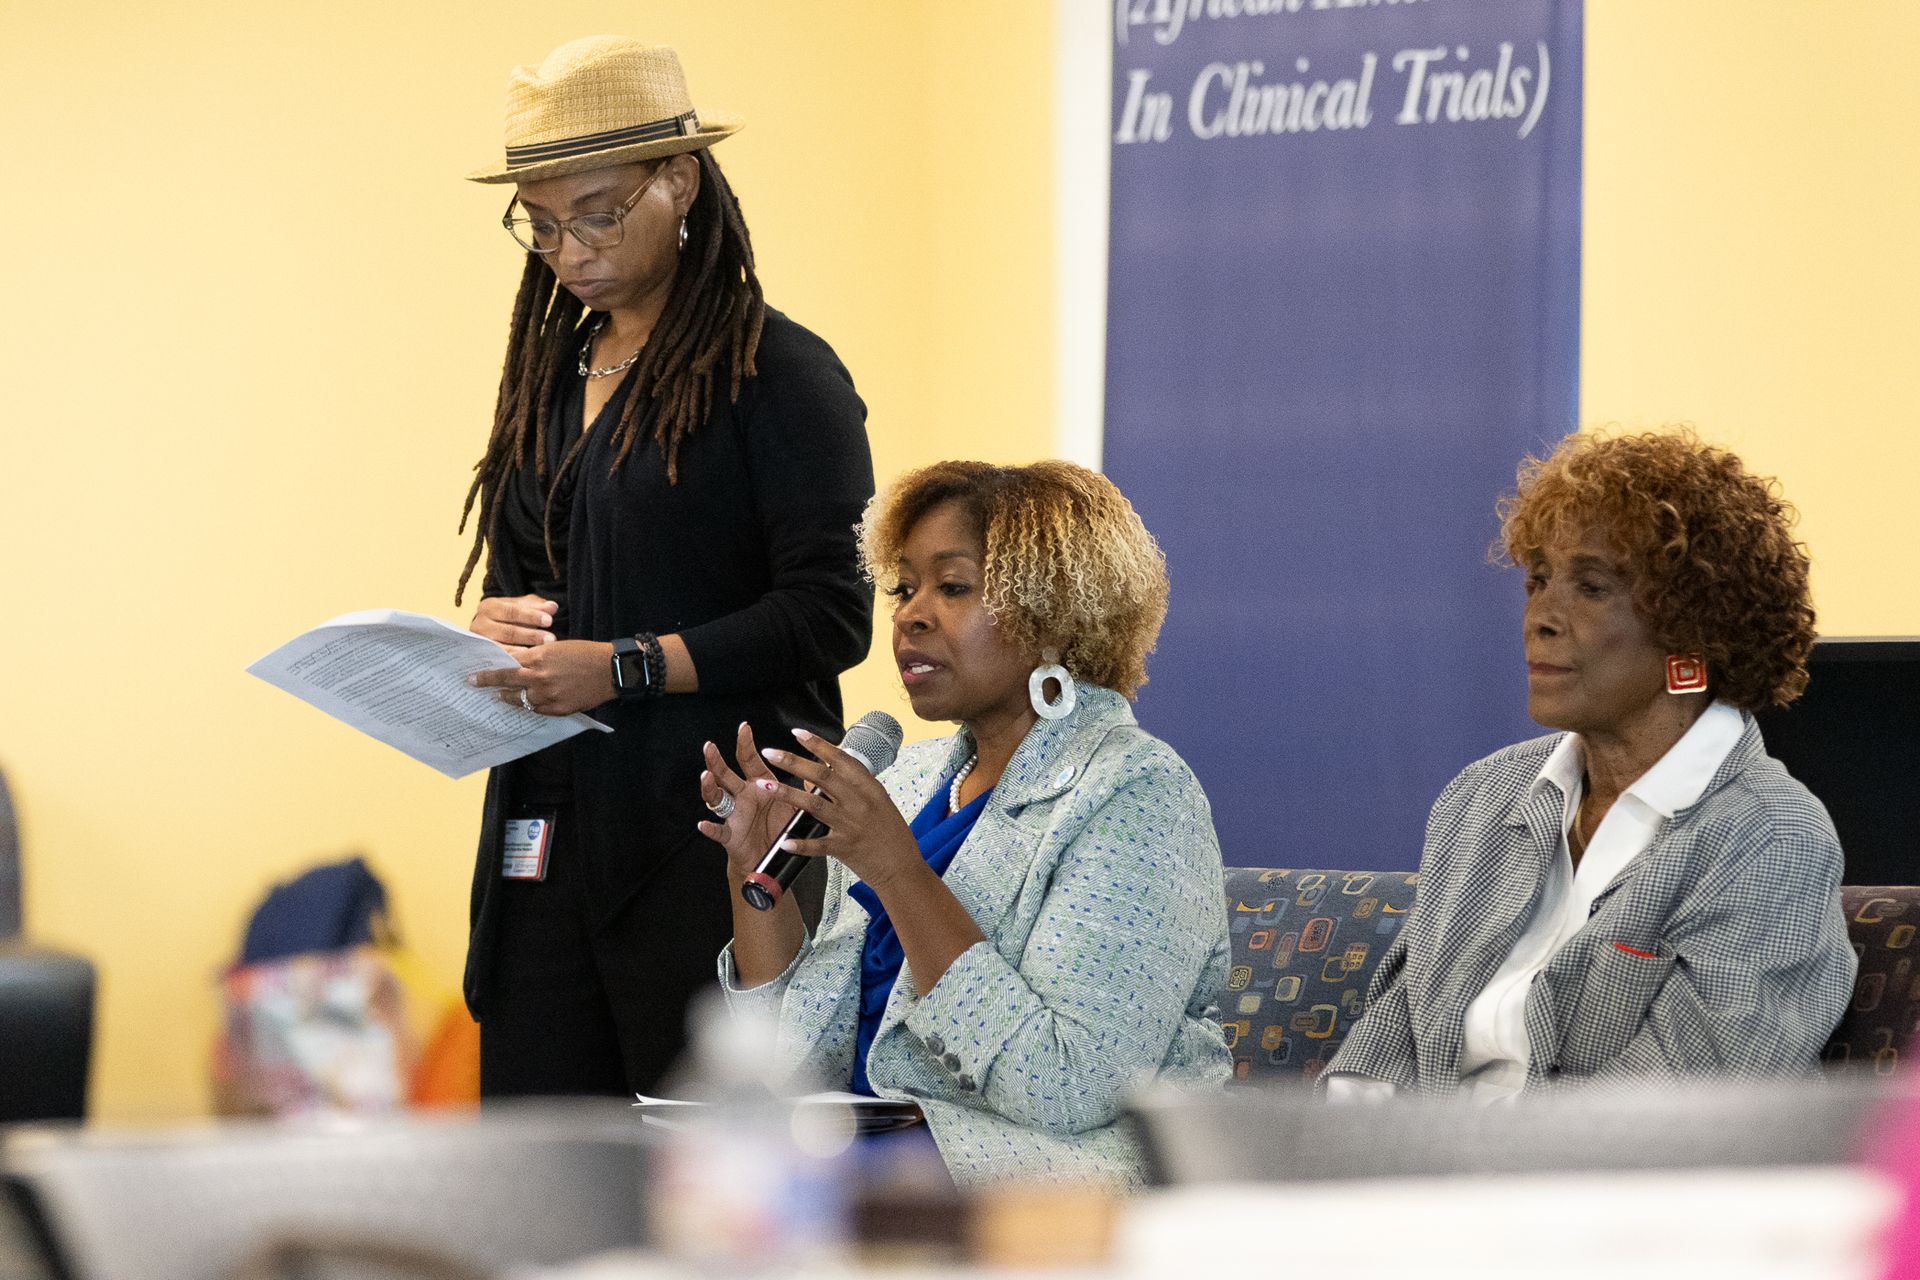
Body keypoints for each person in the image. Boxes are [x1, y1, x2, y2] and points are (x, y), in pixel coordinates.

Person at [457, 36, 874, 1097]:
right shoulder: (546, 376)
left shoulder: (778, 373)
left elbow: (831, 613)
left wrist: (628, 664)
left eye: (597, 211)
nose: (568, 247)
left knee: (698, 1177)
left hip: (708, 836)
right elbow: (535, 579)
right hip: (546, 829)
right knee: (542, 1174)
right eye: (541, 223)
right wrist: (498, 630)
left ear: (679, 180)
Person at [698, 461, 1232, 1186]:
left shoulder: (1137, 793)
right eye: (903, 587)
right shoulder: (911, 781)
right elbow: (798, 1069)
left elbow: (1066, 1086)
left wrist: (897, 869)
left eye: (952, 587)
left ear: (1055, 615)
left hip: (1059, 1185)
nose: (911, 615)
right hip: (866, 1162)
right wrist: (754, 877)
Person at [1326, 428, 1857, 1099]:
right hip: (1409, 1187)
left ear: (1694, 630)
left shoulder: (1770, 841)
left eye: (1592, 587)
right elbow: (1387, 1048)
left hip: (1589, 1195)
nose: (1540, 617)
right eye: (1539, 578)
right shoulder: (1482, 799)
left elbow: (1668, 1123)